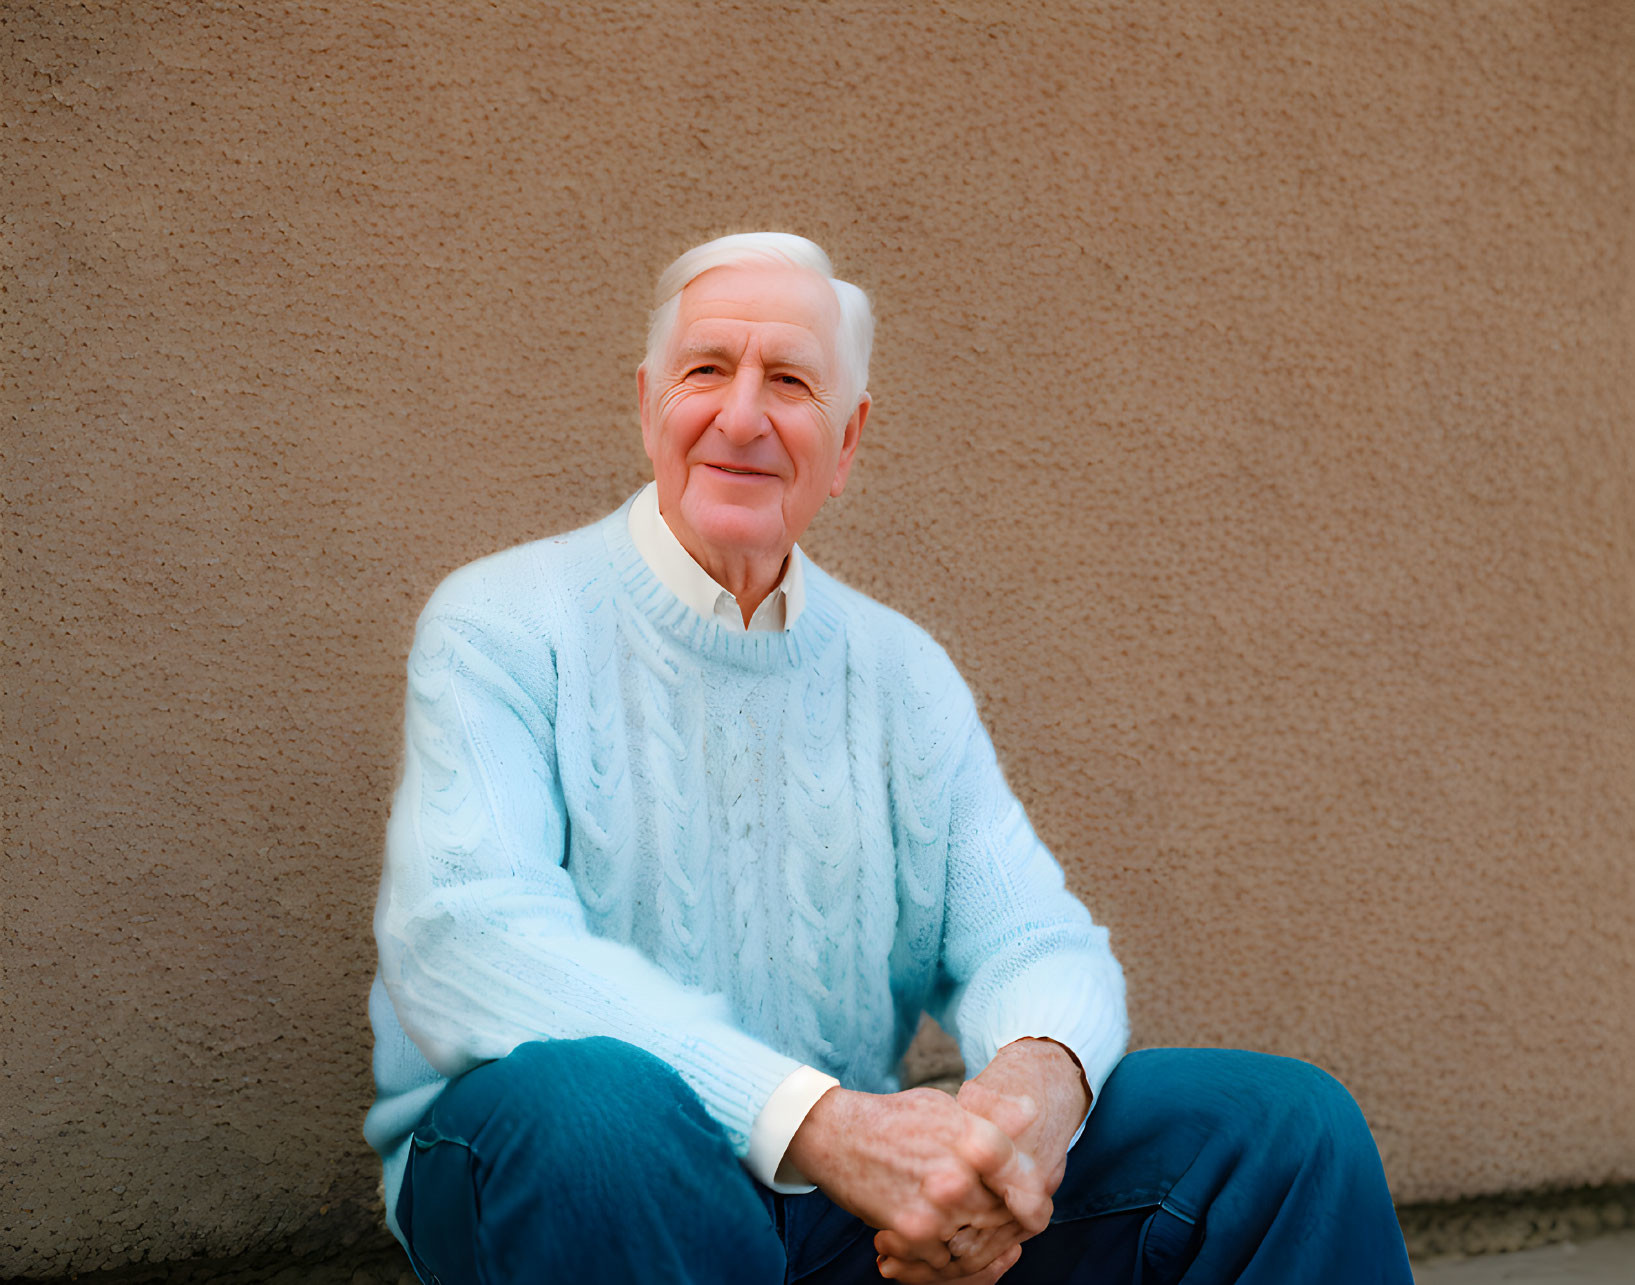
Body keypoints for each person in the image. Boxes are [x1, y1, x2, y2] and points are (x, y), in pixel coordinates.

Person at [364, 233, 1414, 1284]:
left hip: (840, 1211)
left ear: (848, 440)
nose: (741, 416)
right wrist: (815, 1123)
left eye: (790, 381)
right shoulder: (502, 622)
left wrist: (1026, 1105)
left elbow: (1037, 937)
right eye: (705, 371)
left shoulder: (903, 675)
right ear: (647, 406)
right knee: (593, 1108)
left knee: (1286, 1127)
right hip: (558, 1173)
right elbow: (471, 937)